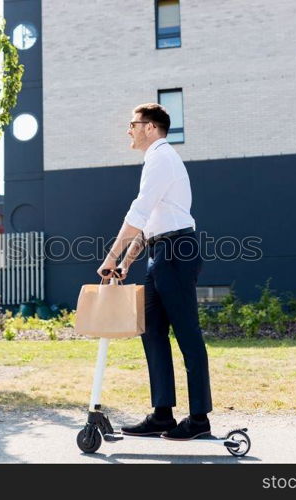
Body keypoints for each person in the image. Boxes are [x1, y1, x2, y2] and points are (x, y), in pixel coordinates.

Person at [96, 103, 212, 440]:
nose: (128, 131)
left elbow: (138, 211)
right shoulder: (156, 160)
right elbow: (148, 224)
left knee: (187, 333)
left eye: (132, 124)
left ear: (150, 127)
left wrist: (111, 255)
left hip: (176, 250)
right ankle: (163, 414)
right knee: (153, 331)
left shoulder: (161, 157)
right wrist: (127, 262)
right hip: (160, 250)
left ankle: (200, 418)